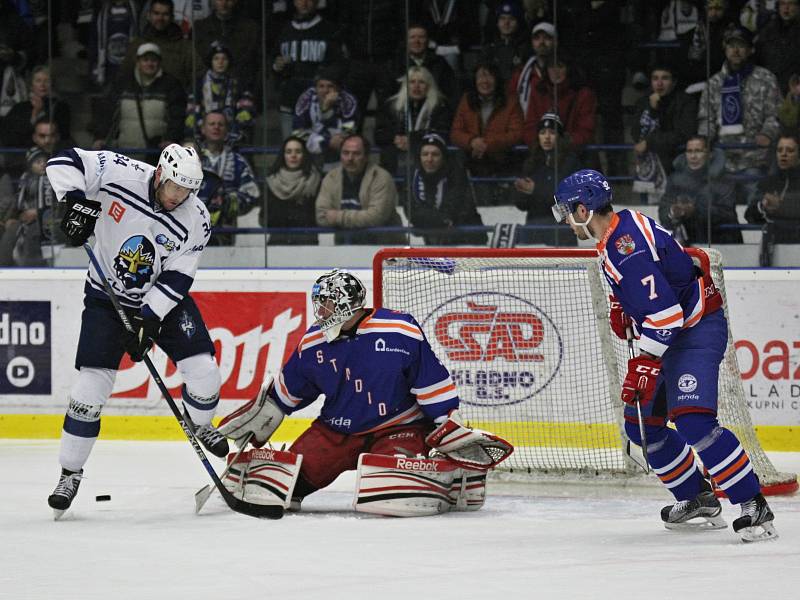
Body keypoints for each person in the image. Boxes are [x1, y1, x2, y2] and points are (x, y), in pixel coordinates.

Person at [551, 168, 777, 543]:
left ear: (584, 207)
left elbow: (666, 315)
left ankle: (753, 504)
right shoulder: (615, 235)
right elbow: (653, 287)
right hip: (671, 333)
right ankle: (698, 497)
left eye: (568, 210)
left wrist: (643, 363)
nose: (566, 220)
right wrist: (622, 306)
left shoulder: (625, 245)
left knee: (693, 421)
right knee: (642, 425)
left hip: (695, 330)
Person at [215, 269, 512, 513]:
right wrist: (266, 412)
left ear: (346, 304)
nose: (320, 311)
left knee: (389, 491)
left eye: (327, 303)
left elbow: (430, 382)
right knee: (285, 485)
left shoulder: (399, 330)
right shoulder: (312, 343)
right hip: (335, 431)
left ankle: (453, 477)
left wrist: (447, 422)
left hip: (399, 427)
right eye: (318, 303)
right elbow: (289, 391)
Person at [44, 143, 229, 518]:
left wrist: (149, 317)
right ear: (160, 172)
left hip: (163, 301)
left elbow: (180, 273)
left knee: (206, 375)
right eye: (175, 186)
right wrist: (75, 201)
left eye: (187, 190)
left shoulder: (197, 218)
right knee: (88, 392)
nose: (179, 196)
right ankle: (70, 473)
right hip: (106, 299)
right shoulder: (120, 172)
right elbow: (62, 160)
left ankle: (200, 423)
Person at [698, 25, 781, 207]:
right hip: (722, 162)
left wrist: (767, 133)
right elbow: (706, 120)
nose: (735, 50)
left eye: (741, 46)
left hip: (755, 159)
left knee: (756, 210)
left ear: (750, 49)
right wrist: (705, 140)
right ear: (725, 49)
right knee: (719, 211)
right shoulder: (714, 83)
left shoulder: (765, 78)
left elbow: (775, 114)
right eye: (731, 45)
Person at [92, 43, 186, 158]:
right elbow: (108, 112)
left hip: (156, 155)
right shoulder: (122, 84)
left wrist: (172, 139)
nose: (149, 64)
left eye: (153, 60)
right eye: (145, 60)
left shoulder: (171, 85)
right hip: (125, 153)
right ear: (138, 62)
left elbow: (177, 115)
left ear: (159, 62)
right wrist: (101, 137)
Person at [272, 0, 344, 140]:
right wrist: (276, 66)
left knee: (318, 151)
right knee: (292, 149)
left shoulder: (329, 30)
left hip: (319, 103)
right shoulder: (284, 30)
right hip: (289, 101)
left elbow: (338, 66)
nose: (304, 3)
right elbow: (273, 63)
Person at [315, 133, 404, 245]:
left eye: (356, 154)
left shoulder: (381, 177)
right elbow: (321, 216)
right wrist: (360, 217)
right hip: (344, 248)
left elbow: (376, 217)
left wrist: (338, 217)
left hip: (382, 249)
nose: (350, 158)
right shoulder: (331, 177)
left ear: (367, 156)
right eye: (345, 153)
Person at [631, 64, 697, 202]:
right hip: (649, 171)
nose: (659, 83)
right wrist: (651, 109)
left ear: (674, 82)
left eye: (665, 78)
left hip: (676, 167)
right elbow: (636, 134)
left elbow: (684, 134)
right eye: (655, 78)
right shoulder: (643, 103)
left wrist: (650, 142)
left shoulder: (685, 101)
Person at [659, 135, 742, 245]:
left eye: (698, 151)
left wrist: (694, 211)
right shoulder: (674, 179)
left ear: (710, 154)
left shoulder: (724, 179)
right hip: (687, 244)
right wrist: (673, 212)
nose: (693, 156)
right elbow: (663, 210)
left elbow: (727, 214)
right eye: (689, 151)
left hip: (722, 242)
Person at [407, 132, 486, 246]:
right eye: (425, 154)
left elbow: (456, 208)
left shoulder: (457, 173)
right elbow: (412, 211)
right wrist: (437, 220)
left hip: (466, 241)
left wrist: (433, 220)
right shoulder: (412, 176)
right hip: (433, 243)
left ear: (443, 157)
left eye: (435, 154)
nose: (429, 159)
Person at [450, 60, 524, 181]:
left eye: (489, 76)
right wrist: (472, 141)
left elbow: (516, 134)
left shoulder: (511, 102)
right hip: (472, 159)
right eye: (480, 77)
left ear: (497, 79)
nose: (485, 81)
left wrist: (488, 144)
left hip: (501, 160)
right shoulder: (466, 100)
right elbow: (455, 132)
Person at [512, 113, 579, 246]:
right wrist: (521, 192)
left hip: (560, 231)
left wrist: (535, 190)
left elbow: (566, 204)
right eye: (543, 132)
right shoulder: (531, 163)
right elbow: (521, 205)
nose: (547, 137)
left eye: (552, 133)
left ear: (560, 137)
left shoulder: (570, 163)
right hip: (534, 229)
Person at [374, 65, 451, 175]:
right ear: (406, 85)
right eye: (412, 82)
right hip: (396, 158)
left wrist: (412, 140)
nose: (416, 86)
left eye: (421, 82)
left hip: (428, 158)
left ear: (429, 86)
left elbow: (442, 132)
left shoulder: (440, 106)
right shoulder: (391, 105)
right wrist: (395, 138)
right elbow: (379, 134)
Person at [197, 111, 260, 245]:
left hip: (225, 231)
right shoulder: (191, 158)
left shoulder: (238, 161)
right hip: (192, 229)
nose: (216, 127)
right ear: (203, 129)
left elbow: (252, 193)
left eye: (221, 124)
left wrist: (228, 202)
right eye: (212, 124)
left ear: (226, 130)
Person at [0, 146, 64, 266]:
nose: (42, 165)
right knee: (10, 233)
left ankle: (33, 268)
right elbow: (19, 201)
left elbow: (60, 203)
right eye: (38, 162)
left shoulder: (55, 178)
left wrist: (39, 212)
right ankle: (4, 268)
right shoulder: (25, 178)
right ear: (30, 165)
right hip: (25, 218)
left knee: (34, 234)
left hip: (49, 219)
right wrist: (13, 217)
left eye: (44, 161)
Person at [185, 42, 255, 144]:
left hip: (232, 135)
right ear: (211, 62)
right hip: (203, 135)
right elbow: (191, 111)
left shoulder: (238, 83)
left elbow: (246, 110)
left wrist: (238, 128)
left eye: (224, 59)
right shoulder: (199, 83)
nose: (220, 62)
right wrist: (200, 127)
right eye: (216, 59)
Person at [121, 0, 200, 89]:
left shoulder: (185, 48)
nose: (160, 18)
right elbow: (124, 76)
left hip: (175, 99)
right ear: (149, 15)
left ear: (172, 17)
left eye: (165, 14)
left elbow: (199, 76)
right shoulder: (136, 45)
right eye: (156, 13)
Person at [292, 65, 357, 172]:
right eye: (321, 86)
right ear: (315, 88)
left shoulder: (348, 100)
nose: (325, 90)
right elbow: (297, 130)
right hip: (313, 144)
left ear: (338, 88)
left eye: (330, 86)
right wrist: (326, 142)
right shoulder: (306, 98)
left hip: (339, 145)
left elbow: (350, 129)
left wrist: (327, 111)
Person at [261, 135, 322, 245]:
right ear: (283, 155)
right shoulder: (271, 182)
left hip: (307, 244)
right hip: (278, 243)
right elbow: (264, 219)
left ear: (304, 155)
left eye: (298, 151)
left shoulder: (316, 180)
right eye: (289, 152)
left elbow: (318, 217)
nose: (293, 156)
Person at [745, 133, 800, 247]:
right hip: (773, 244)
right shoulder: (768, 182)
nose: (783, 154)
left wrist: (780, 205)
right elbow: (749, 214)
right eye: (779, 150)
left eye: (790, 150)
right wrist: (762, 206)